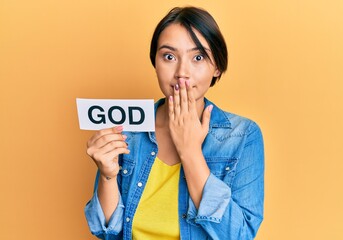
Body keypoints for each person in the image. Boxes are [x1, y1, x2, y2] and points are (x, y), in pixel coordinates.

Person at [84, 6, 264, 240]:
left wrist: (190, 152)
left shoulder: (242, 135)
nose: (182, 72)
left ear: (217, 67)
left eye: (198, 57)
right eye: (169, 57)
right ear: (155, 62)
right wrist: (107, 175)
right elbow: (106, 232)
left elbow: (239, 236)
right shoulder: (128, 128)